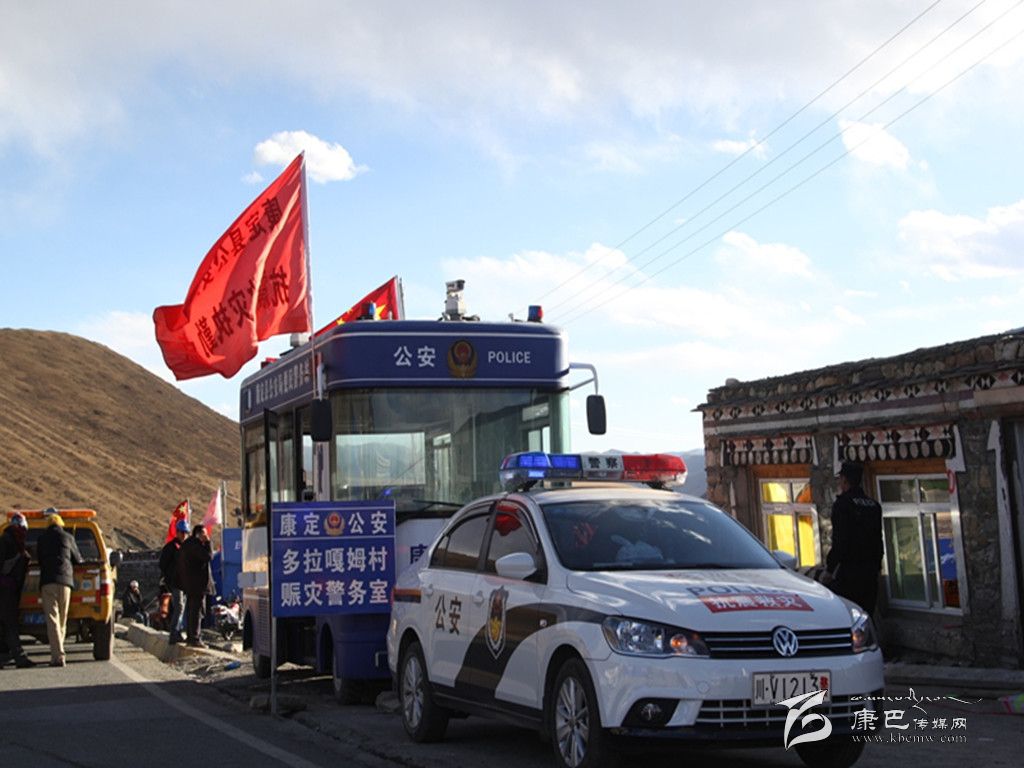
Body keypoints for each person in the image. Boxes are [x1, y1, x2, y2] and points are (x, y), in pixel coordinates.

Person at [825, 461, 884, 615]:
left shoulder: (843, 505)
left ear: (845, 480)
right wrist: (877, 567)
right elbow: (879, 541)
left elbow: (840, 541)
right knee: (867, 617)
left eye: (840, 479)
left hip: (850, 573)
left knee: (849, 617)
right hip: (870, 573)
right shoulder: (874, 506)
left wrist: (830, 569)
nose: (839, 483)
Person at [36, 509, 84, 667]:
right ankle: (59, 654)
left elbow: (39, 559)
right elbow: (78, 559)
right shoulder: (68, 537)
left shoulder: (42, 539)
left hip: (48, 582)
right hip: (65, 583)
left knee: (52, 620)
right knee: (62, 620)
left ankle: (57, 656)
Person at [0, 513, 35, 669]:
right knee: (10, 625)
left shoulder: (10, 540)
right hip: (5, 590)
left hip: (8, 589)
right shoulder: (8, 542)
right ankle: (20, 658)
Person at [176, 524, 213, 648]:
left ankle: (191, 636)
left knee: (191, 610)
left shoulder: (186, 545)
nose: (206, 536)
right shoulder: (195, 546)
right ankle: (195, 638)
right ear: (199, 534)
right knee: (197, 611)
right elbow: (208, 556)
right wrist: (208, 543)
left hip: (190, 584)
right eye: (204, 534)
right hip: (198, 584)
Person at [159, 519, 189, 644]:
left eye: (186, 533)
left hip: (185, 583)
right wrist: (170, 577)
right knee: (179, 606)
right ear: (177, 532)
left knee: (182, 607)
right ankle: (174, 633)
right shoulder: (171, 547)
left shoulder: (186, 547)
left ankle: (178, 631)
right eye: (182, 532)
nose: (184, 535)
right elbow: (162, 564)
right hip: (176, 582)